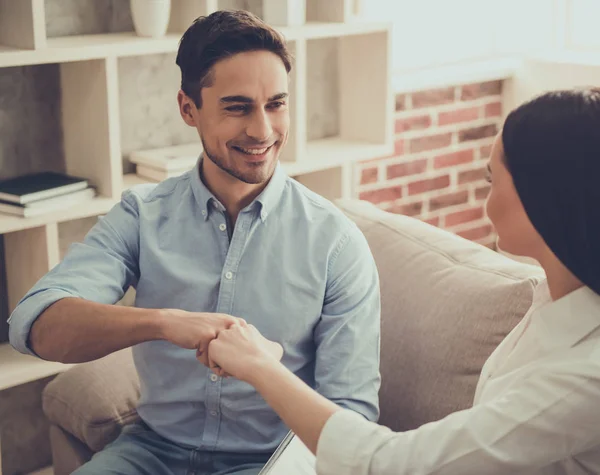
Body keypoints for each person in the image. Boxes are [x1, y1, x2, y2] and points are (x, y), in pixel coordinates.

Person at [7, 10, 381, 475]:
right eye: (238, 107)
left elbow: (353, 417)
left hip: (269, 461)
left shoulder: (336, 243)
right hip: (151, 452)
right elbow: (36, 324)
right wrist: (165, 323)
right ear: (188, 109)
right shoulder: (142, 216)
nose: (263, 130)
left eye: (276, 104)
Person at [208, 87, 600, 474]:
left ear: (543, 198)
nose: (486, 198)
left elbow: (388, 463)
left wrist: (260, 367)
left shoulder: (586, 376)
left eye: (490, 179)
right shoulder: (557, 300)